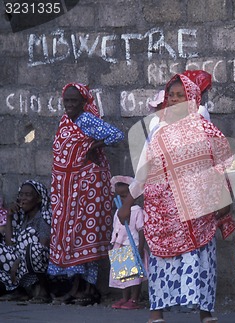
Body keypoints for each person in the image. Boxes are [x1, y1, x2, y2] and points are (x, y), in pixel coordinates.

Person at [118, 74, 235, 323]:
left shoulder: (207, 130)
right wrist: (128, 202)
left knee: (203, 258)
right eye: (171, 95)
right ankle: (156, 312)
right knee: (161, 261)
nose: (174, 100)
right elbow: (144, 171)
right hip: (163, 213)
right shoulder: (159, 132)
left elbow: (223, 164)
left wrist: (225, 198)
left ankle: (205, 312)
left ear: (193, 99)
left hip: (198, 212)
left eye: (180, 95)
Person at [49, 83, 124, 306]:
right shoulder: (65, 122)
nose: (70, 105)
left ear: (84, 102)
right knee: (72, 236)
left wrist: (94, 147)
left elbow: (116, 135)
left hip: (88, 190)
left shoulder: (87, 121)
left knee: (85, 233)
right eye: (67, 101)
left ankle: (90, 290)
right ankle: (77, 287)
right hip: (67, 191)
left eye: (75, 101)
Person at [0, 180, 52, 303]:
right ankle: (19, 291)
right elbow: (9, 246)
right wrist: (9, 216)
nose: (23, 198)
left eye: (28, 195)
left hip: (39, 265)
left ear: (38, 199)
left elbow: (42, 246)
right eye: (21, 194)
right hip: (19, 267)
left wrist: (19, 260)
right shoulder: (21, 217)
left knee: (33, 245)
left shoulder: (44, 217)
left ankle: (43, 291)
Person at [109, 175, 147, 310]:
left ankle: (134, 299)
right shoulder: (118, 211)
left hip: (133, 245)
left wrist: (141, 248)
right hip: (119, 245)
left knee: (135, 276)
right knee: (123, 274)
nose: (122, 200)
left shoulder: (137, 211)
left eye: (125, 196)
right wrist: (113, 243)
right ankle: (124, 298)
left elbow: (142, 230)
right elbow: (116, 228)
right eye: (119, 197)